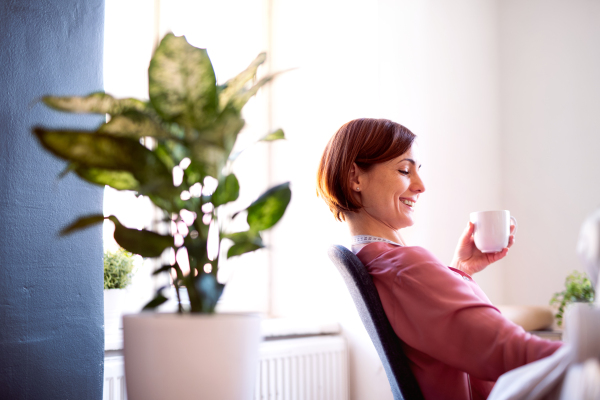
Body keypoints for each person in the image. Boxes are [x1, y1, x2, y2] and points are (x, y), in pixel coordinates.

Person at [316, 118, 562, 400]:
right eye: (404, 170)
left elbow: (435, 327)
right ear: (355, 178)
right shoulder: (405, 268)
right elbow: (512, 352)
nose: (420, 186)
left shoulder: (378, 261)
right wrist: (587, 353)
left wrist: (460, 270)